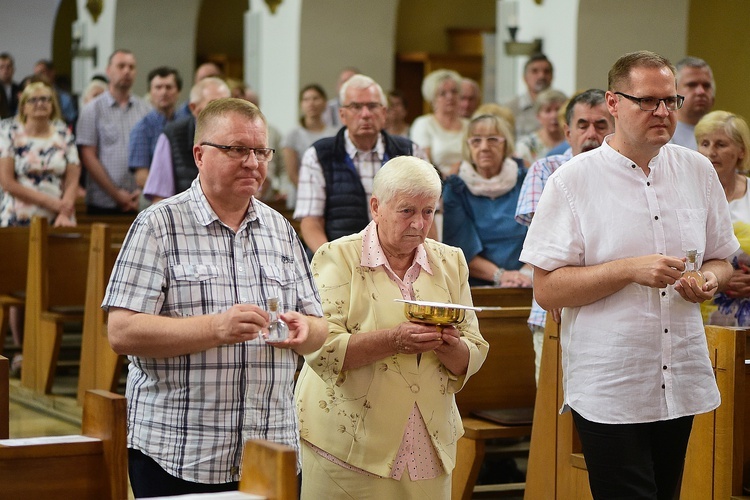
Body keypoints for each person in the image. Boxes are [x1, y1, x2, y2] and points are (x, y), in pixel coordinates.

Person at [520, 50, 738, 499]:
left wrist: (711, 280)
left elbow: (722, 257)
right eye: (647, 101)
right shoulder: (572, 180)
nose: (662, 112)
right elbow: (546, 289)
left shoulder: (696, 169)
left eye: (669, 101)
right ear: (613, 103)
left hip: (679, 373)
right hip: (611, 381)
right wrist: (627, 270)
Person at [103, 97, 328, 497]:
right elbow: (121, 331)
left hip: (270, 449)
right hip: (180, 451)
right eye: (237, 149)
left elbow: (319, 329)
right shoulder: (159, 225)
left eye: (261, 151)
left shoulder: (279, 229)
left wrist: (303, 329)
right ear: (200, 155)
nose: (253, 162)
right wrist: (215, 328)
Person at [295, 155, 488, 499]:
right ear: (376, 207)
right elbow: (322, 350)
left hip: (427, 439)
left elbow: (472, 353)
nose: (418, 223)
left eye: (428, 211)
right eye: (406, 210)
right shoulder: (336, 257)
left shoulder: (451, 261)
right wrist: (395, 339)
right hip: (349, 443)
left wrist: (450, 346)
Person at [515, 89, 615, 384]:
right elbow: (541, 241)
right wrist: (558, 287)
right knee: (553, 417)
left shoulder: (628, 173)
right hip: (554, 306)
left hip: (610, 309)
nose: (591, 134)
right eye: (583, 125)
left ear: (615, 129)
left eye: (601, 125)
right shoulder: (546, 169)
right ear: (568, 131)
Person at [0, 81, 81, 376]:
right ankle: (22, 350)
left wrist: (66, 205)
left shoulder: (62, 132)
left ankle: (48, 352)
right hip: (20, 217)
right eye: (34, 100)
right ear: (23, 105)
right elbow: (8, 181)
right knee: (21, 287)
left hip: (58, 217)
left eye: (46, 99)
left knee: (51, 284)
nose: (41, 104)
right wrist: (54, 202)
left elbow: (73, 175)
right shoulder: (9, 131)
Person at [294, 74, 426, 254]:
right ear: (342, 115)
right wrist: (332, 260)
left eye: (372, 106)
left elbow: (427, 216)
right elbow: (311, 221)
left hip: (398, 257)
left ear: (384, 113)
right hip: (341, 256)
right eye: (356, 107)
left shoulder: (410, 152)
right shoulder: (319, 154)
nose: (365, 114)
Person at [442, 113, 531, 287]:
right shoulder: (456, 188)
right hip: (476, 286)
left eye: (492, 139)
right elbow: (460, 249)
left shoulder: (525, 181)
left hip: (527, 281)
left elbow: (543, 236)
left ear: (505, 144)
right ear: (468, 147)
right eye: (476, 141)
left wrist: (525, 274)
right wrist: (501, 276)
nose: (484, 147)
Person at [76, 49, 150, 215]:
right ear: (108, 71)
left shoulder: (145, 110)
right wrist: (116, 194)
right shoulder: (92, 109)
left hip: (138, 200)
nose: (126, 71)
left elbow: (152, 155)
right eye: (121, 66)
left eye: (131, 67)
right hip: (102, 202)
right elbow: (88, 156)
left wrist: (143, 192)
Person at [695, 110, 750, 326]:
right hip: (700, 318)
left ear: (741, 151)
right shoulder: (687, 195)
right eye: (704, 143)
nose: (710, 152)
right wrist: (720, 277)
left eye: (721, 144)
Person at [143, 77, 230, 203]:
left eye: (228, 105)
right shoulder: (172, 134)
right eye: (214, 105)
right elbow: (159, 196)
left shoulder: (238, 136)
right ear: (194, 108)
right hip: (184, 218)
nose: (223, 112)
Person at [128, 66, 186, 191]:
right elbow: (141, 177)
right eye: (158, 87)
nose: (164, 92)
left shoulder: (187, 123)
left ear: (178, 91)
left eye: (169, 87)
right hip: (155, 198)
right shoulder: (141, 128)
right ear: (150, 92)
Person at [281, 84, 338, 206]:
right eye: (306, 99)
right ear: (301, 104)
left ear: (325, 103)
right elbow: (292, 173)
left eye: (315, 98)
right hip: (301, 197)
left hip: (330, 195)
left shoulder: (334, 134)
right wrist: (310, 195)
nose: (311, 103)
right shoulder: (293, 135)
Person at [410, 69, 468, 177]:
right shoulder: (423, 124)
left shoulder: (470, 126)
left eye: (454, 92)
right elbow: (423, 162)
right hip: (436, 184)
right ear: (433, 98)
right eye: (443, 93)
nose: (450, 97)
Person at [669, 56, 716, 150]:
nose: (701, 91)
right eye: (692, 85)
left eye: (706, 86)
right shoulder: (662, 132)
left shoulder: (725, 133)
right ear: (674, 90)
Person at [504, 53, 554, 138]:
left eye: (546, 71)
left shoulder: (562, 106)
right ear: (525, 77)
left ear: (552, 76)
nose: (541, 76)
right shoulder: (511, 109)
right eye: (535, 71)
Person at [515, 88, 567, 167]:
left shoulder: (572, 141)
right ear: (538, 116)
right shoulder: (526, 146)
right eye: (548, 111)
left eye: (558, 109)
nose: (554, 116)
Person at [33, 59, 78, 126]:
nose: (38, 77)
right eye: (36, 74)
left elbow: (71, 121)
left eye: (41, 73)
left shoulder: (65, 98)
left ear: (52, 72)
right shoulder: (30, 97)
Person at [0, 53, 22, 119]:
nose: (5, 70)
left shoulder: (19, 88)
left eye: (8, 67)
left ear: (13, 69)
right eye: (1, 67)